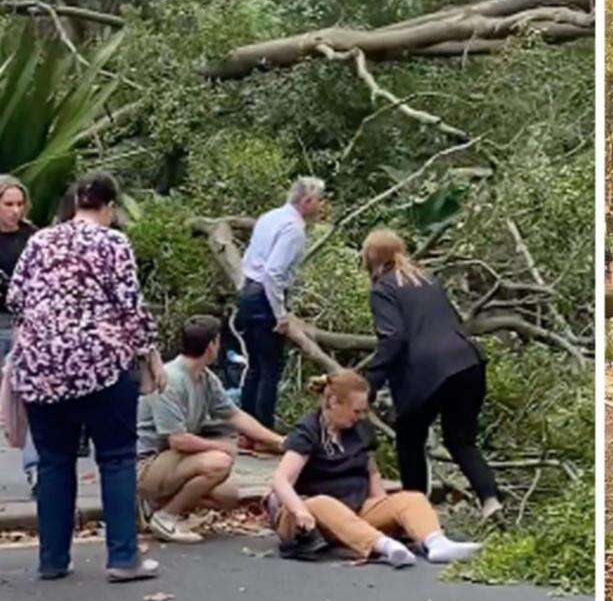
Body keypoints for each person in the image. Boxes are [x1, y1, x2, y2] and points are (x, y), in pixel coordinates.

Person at [6, 171, 166, 582]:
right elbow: (131, 307)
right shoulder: (113, 243)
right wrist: (150, 353)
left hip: (41, 368)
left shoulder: (39, 240)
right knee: (115, 458)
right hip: (100, 365)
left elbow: (16, 299)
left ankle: (53, 560)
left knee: (55, 463)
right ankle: (122, 558)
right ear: (109, 207)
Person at [269, 370, 480, 566]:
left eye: (363, 411)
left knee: (411, 499)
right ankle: (384, 546)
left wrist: (384, 507)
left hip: (355, 511)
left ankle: (436, 543)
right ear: (334, 402)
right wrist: (299, 510)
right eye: (356, 411)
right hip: (308, 518)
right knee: (322, 503)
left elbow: (372, 472)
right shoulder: (308, 431)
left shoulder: (360, 430)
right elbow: (281, 479)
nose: (360, 417)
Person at [361, 229, 502, 519]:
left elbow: (393, 338)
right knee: (461, 440)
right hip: (468, 363)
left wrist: (369, 384)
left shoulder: (383, 289)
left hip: (426, 372)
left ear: (370, 258)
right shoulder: (428, 280)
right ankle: (491, 501)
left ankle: (416, 512)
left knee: (409, 438)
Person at [137, 315, 285, 543]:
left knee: (228, 497)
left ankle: (156, 507)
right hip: (145, 464)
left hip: (173, 460)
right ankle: (165, 516)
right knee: (218, 463)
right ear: (212, 345)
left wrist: (280, 442)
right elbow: (177, 440)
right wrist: (219, 446)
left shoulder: (205, 378)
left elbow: (235, 415)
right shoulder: (171, 380)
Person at [237, 177, 325, 434]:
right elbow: (273, 273)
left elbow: (251, 258)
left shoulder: (269, 217)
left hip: (248, 292)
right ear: (307, 201)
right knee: (269, 368)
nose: (321, 206)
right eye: (318, 200)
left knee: (254, 366)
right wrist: (280, 314)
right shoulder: (293, 229)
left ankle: (247, 431)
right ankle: (263, 431)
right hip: (265, 297)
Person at [0, 175, 37, 495]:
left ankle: (35, 468)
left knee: (29, 397)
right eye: (8, 204)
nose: (14, 210)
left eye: (18, 203)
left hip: (24, 323)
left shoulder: (33, 236)